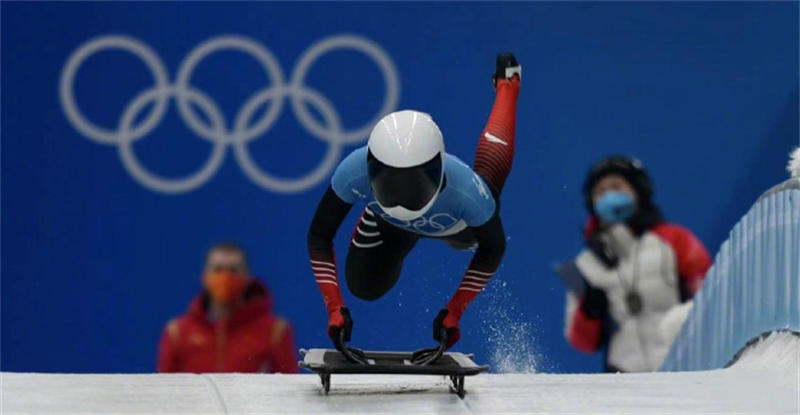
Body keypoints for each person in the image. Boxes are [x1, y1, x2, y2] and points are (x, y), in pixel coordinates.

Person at [307, 53, 521, 351]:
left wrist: (455, 310)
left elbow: (494, 247)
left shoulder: (467, 193)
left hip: (455, 224)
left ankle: (508, 85)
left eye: (414, 183)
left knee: (487, 197)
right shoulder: (352, 171)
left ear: (439, 169)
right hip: (390, 223)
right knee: (365, 286)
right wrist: (334, 307)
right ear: (370, 166)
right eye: (389, 182)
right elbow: (319, 236)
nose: (403, 198)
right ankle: (387, 216)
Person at [561, 157, 712, 372]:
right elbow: (580, 341)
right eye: (600, 192)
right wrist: (590, 312)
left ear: (638, 192)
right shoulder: (585, 265)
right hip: (627, 387)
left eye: (616, 187)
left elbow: (709, 297)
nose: (608, 196)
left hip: (686, 370)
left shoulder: (676, 240)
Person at [157, 243, 298, 373]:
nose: (225, 277)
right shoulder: (177, 333)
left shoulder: (275, 332)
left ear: (247, 277)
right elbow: (165, 392)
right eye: (218, 269)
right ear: (205, 276)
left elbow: (289, 393)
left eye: (234, 270)